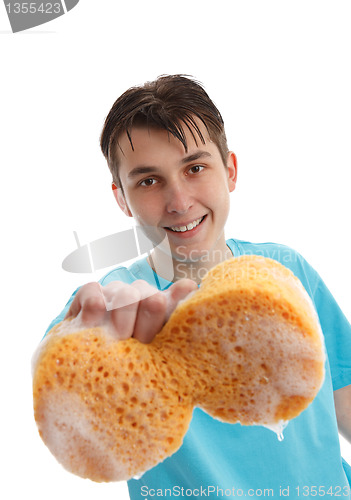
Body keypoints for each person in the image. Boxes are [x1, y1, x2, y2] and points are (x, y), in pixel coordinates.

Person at [46, 75, 351, 498]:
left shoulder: (287, 270)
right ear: (122, 198)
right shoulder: (121, 303)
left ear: (230, 170)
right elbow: (66, 388)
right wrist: (89, 344)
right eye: (148, 181)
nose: (179, 201)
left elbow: (344, 398)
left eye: (195, 168)